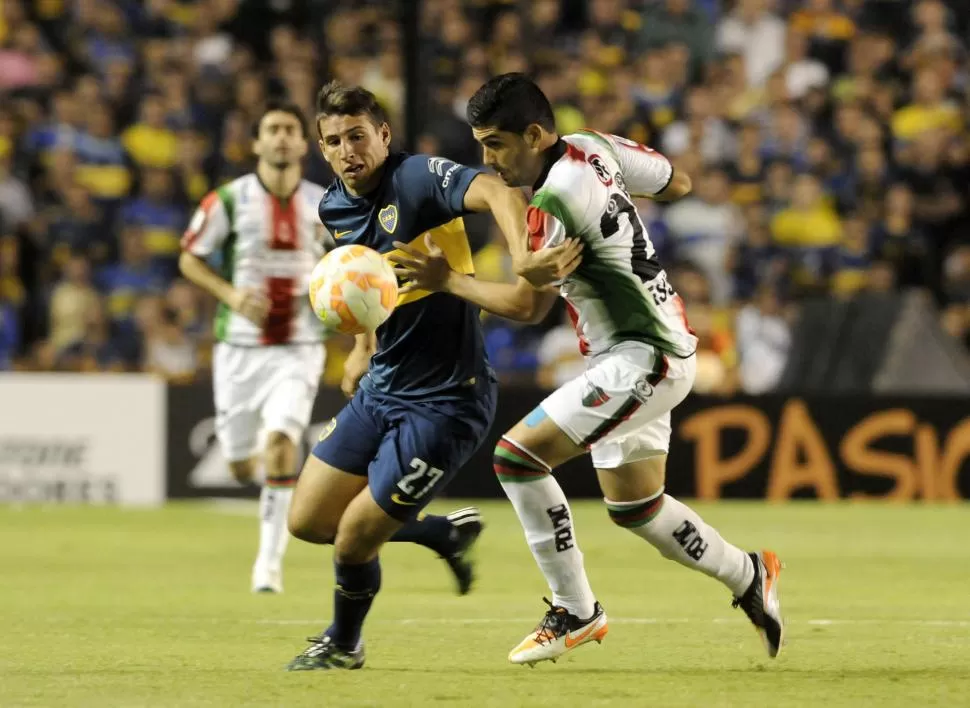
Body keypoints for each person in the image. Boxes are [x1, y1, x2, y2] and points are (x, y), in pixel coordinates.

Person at [393, 74, 785, 666]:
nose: (488, 160)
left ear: (533, 134)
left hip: (641, 354)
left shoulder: (551, 203)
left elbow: (528, 308)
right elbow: (677, 182)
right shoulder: (594, 147)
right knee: (637, 507)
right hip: (652, 341)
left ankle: (574, 610)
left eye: (496, 144)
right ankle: (748, 574)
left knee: (516, 457)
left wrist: (447, 280)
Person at [283, 82, 581, 672]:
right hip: (382, 387)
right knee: (308, 522)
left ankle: (344, 644)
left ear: (383, 136)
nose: (348, 150)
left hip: (446, 401)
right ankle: (438, 533)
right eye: (335, 141)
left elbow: (495, 187)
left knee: (353, 539)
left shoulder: (416, 178)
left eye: (359, 136)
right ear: (323, 148)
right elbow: (365, 277)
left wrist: (522, 253)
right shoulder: (332, 207)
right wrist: (362, 345)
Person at [179, 100, 329, 594]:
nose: (283, 137)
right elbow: (190, 259)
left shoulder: (325, 202)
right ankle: (251, 472)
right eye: (273, 130)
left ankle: (268, 564)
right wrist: (231, 295)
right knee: (243, 464)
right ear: (257, 144)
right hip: (239, 349)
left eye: (291, 129)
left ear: (303, 145)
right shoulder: (227, 200)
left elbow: (351, 265)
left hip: (300, 345)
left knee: (282, 443)